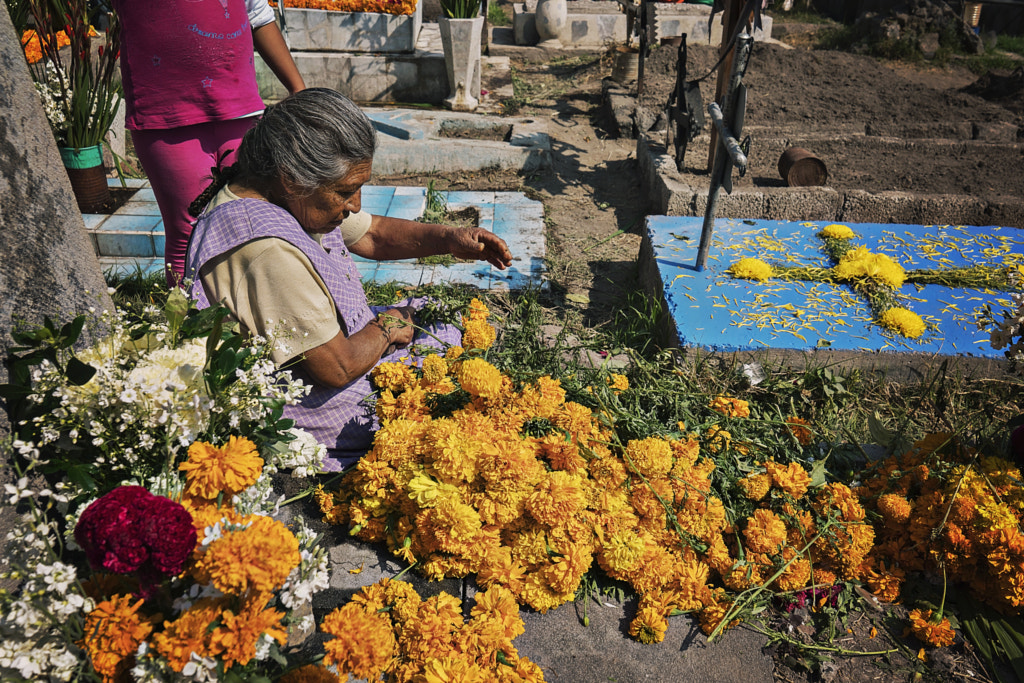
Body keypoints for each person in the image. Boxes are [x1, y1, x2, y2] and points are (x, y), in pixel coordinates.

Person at [184, 88, 514, 471]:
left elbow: (371, 233)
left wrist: (449, 239)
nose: (355, 204)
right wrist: (387, 326)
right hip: (308, 397)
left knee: (440, 320)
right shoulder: (266, 249)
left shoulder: (281, 192)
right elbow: (335, 368)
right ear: (292, 179)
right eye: (345, 191)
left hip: (332, 349)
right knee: (433, 392)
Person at [112, 0, 305, 286]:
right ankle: (190, 325)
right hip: (167, 116)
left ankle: (262, 316)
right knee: (188, 233)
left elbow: (258, 14)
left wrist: (299, 90)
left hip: (239, 109)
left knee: (258, 220)